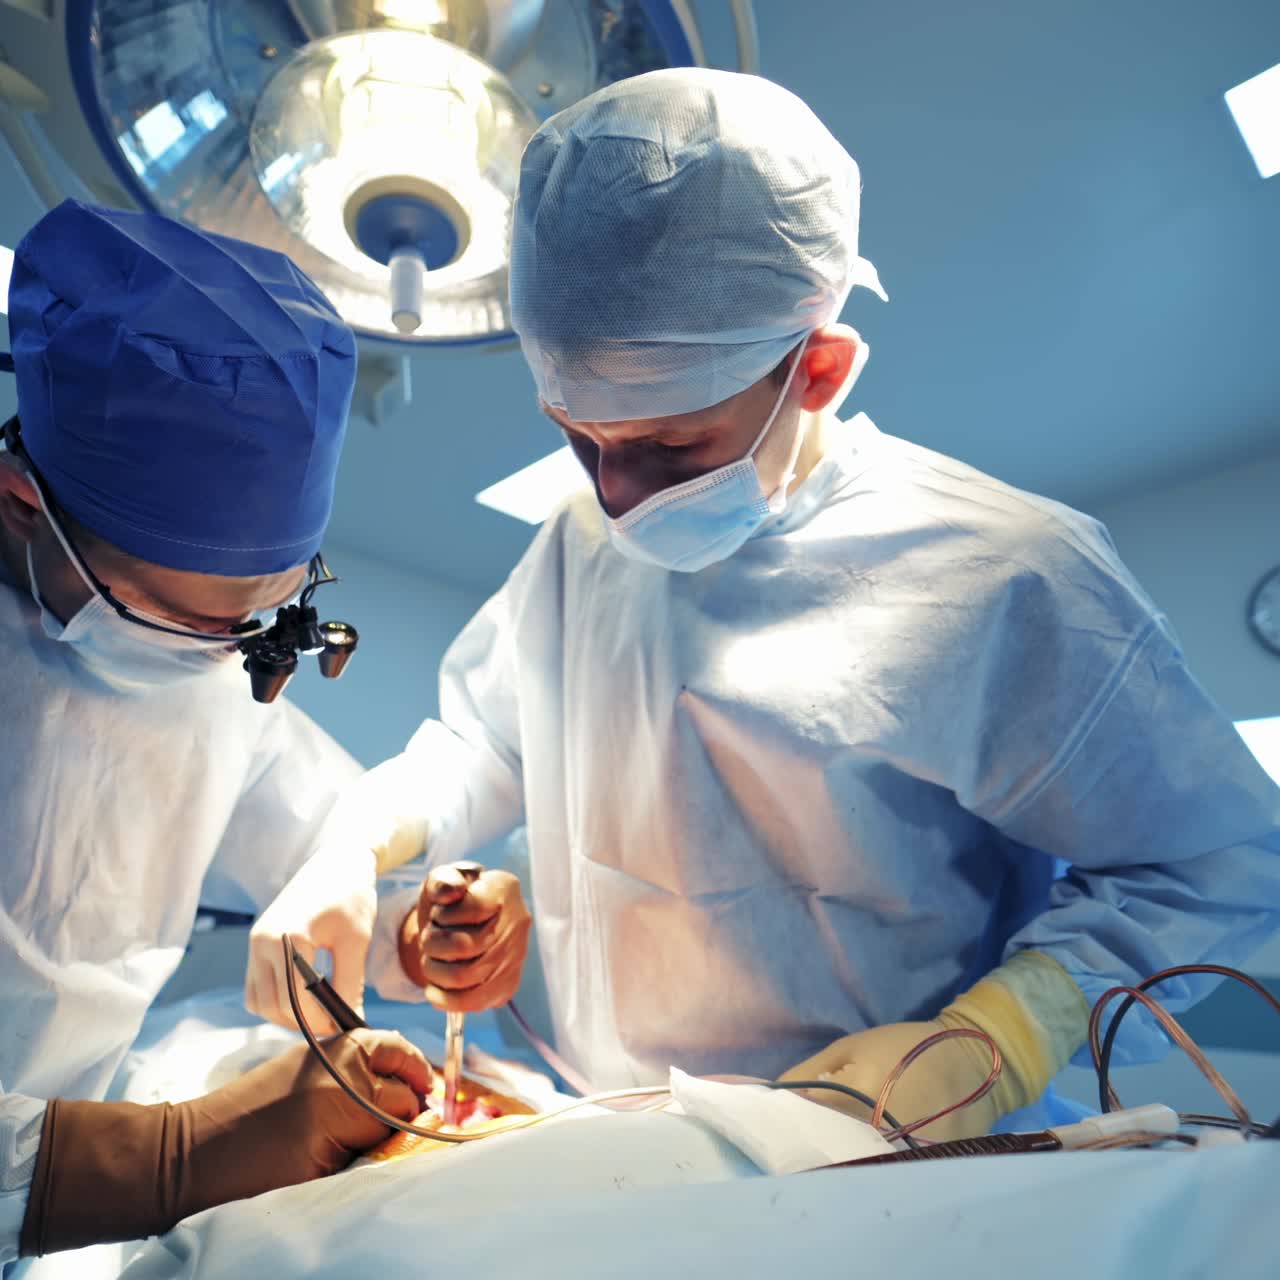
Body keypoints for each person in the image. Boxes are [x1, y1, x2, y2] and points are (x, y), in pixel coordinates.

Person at [247, 69, 1280, 1141]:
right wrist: (355, 843)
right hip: (610, 1126)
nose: (614, 492)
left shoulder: (1005, 575)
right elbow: (486, 747)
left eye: (671, 444)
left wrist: (1002, 1034)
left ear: (818, 370)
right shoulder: (573, 547)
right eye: (578, 436)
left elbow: (1211, 860)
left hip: (884, 1152)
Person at [0, 200, 431, 1268]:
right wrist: (171, 1158)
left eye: (267, 613)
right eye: (191, 618)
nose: (232, 658)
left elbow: (317, 839)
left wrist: (418, 924)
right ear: (21, 502)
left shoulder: (199, 664)